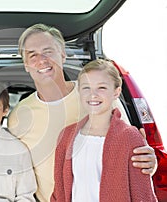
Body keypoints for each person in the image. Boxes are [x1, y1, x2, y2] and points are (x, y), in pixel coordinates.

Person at [7, 23, 157, 201]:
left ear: (63, 55)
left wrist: (149, 163)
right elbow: (17, 174)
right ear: (25, 64)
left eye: (48, 51)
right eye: (32, 55)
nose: (41, 60)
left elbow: (131, 150)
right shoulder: (18, 116)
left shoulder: (97, 97)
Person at [51, 59, 157, 201]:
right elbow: (59, 193)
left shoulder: (129, 137)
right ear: (79, 91)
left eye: (101, 88)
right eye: (86, 87)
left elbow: (143, 194)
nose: (93, 94)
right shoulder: (66, 136)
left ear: (116, 92)